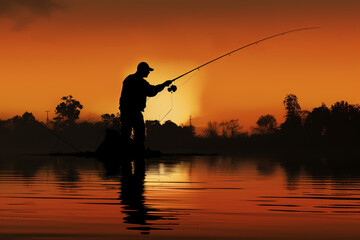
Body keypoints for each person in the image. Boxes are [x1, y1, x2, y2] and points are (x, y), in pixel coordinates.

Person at [119, 62, 173, 153]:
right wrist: (164, 85)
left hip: (125, 111)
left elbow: (150, 90)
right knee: (139, 133)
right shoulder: (139, 82)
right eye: (147, 71)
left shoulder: (129, 79)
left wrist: (163, 85)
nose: (148, 72)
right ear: (142, 70)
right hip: (133, 111)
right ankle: (137, 153)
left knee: (126, 133)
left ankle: (125, 153)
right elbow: (151, 91)